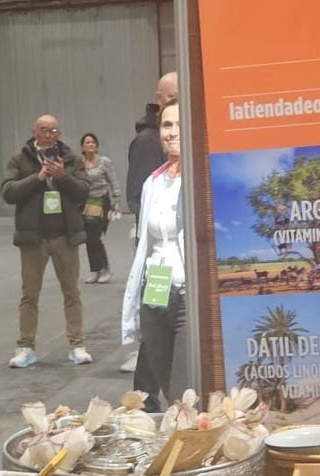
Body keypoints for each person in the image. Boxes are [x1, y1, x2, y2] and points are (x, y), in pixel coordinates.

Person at [2, 115, 93, 368]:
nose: (48, 135)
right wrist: (38, 177)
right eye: (43, 130)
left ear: (59, 133)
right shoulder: (20, 158)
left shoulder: (71, 158)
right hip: (33, 238)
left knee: (72, 292)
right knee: (29, 294)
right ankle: (25, 347)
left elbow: (84, 190)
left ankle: (77, 345)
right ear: (34, 132)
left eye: (53, 130)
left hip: (65, 236)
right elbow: (8, 192)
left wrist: (63, 176)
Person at [122, 98, 188, 410]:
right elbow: (146, 246)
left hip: (188, 297)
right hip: (156, 292)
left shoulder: (201, 179)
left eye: (178, 124)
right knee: (164, 381)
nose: (172, 132)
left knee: (186, 388)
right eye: (166, 125)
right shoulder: (154, 183)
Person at [123, 71, 178, 377]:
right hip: (158, 260)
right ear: (159, 101)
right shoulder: (146, 142)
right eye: (171, 97)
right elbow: (137, 198)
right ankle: (146, 397)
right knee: (155, 329)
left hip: (179, 263)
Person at [79, 132, 121, 285]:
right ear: (82, 147)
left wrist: (116, 199)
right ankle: (96, 271)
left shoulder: (104, 162)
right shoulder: (80, 164)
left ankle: (106, 269)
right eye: (87, 142)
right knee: (89, 239)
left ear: (96, 145)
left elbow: (113, 181)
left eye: (92, 142)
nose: (90, 145)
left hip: (102, 202)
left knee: (95, 237)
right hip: (86, 204)